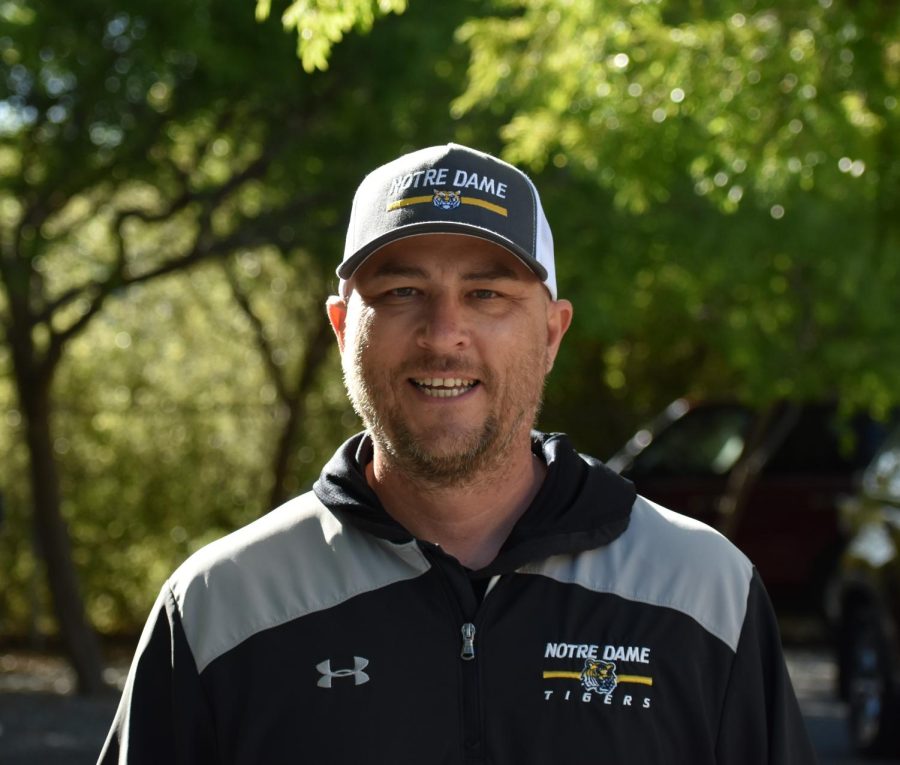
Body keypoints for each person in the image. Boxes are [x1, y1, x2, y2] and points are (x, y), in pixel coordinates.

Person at [99, 144, 816, 764]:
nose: (444, 335)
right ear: (343, 327)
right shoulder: (221, 607)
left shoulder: (702, 591)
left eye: (487, 293)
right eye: (402, 290)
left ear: (552, 333)